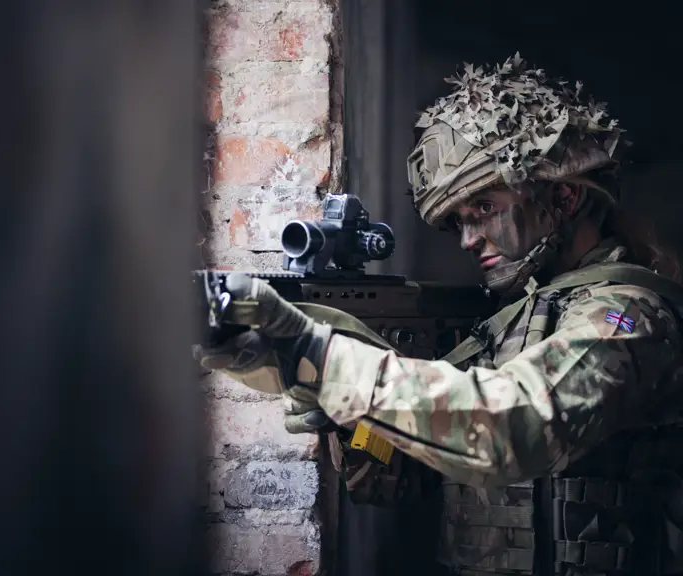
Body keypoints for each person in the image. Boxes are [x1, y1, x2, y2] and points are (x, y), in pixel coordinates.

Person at [196, 54, 683, 575]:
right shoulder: (507, 321)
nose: (469, 240)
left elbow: (512, 428)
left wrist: (320, 356)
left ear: (562, 197)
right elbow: (396, 482)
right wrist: (351, 420)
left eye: (485, 209)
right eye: (457, 223)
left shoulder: (629, 315)